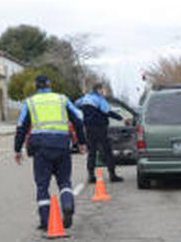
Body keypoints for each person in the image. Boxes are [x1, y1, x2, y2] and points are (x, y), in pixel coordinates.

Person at [14, 74, 87, 230]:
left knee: (42, 185)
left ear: (36, 86)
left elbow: (21, 127)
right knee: (64, 182)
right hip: (62, 146)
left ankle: (46, 221)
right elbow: (78, 119)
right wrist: (81, 143)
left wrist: (17, 149)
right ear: (50, 85)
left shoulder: (30, 102)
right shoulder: (62, 99)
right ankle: (67, 205)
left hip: (41, 148)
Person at [75, 82, 125, 182]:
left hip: (89, 128)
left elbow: (76, 104)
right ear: (99, 90)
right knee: (107, 151)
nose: (104, 92)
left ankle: (91, 176)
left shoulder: (85, 98)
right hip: (100, 128)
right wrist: (120, 118)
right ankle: (112, 174)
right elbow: (107, 111)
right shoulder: (99, 99)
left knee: (92, 152)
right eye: (103, 89)